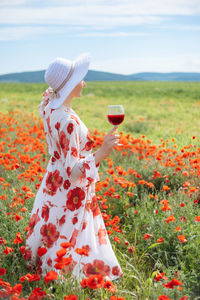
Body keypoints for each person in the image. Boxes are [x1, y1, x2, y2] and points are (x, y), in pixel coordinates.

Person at [24, 53, 123, 281]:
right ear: (69, 84)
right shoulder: (67, 120)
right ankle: (68, 274)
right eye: (80, 78)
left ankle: (47, 266)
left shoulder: (50, 107)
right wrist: (102, 152)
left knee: (54, 225)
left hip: (53, 180)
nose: (84, 83)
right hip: (68, 187)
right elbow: (74, 171)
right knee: (71, 230)